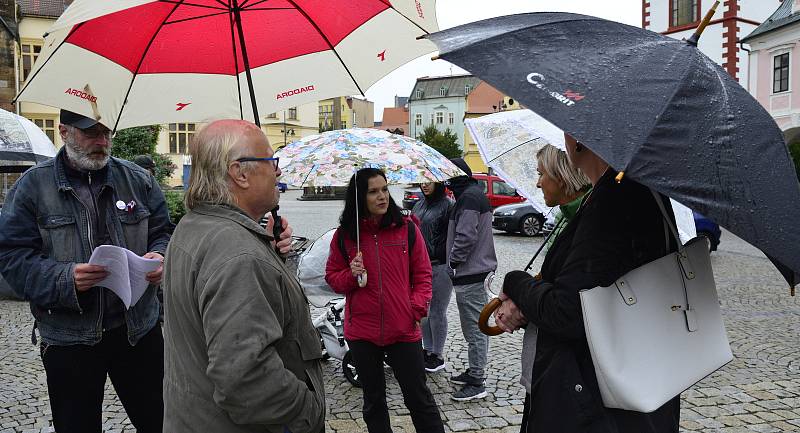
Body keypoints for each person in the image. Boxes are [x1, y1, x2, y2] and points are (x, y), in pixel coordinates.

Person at [0, 109, 173, 433]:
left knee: (161, 422)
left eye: (106, 132)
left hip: (138, 330)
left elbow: (163, 231)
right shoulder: (32, 187)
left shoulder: (137, 180)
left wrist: (160, 256)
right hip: (69, 339)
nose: (102, 141)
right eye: (90, 132)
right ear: (64, 132)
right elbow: (11, 256)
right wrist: (65, 278)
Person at [497, 135, 681, 433]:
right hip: (637, 385)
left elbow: (568, 311)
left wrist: (515, 282)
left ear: (580, 141)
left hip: (594, 403)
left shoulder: (614, 199)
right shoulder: (636, 190)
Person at [161, 120, 323, 433]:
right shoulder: (238, 253)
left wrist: (268, 251)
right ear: (240, 173)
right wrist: (307, 410)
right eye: (271, 161)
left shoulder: (195, 225)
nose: (277, 171)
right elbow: (245, 379)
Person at [326, 168, 444, 433]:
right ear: (359, 197)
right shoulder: (345, 236)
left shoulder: (406, 229)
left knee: (419, 399)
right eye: (373, 192)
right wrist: (350, 274)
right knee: (373, 401)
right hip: (362, 332)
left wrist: (415, 309)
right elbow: (333, 277)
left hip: (403, 329)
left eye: (384, 189)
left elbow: (423, 274)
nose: (382, 197)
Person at [493, 143, 591, 428]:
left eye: (541, 174)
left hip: (568, 374)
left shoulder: (584, 222)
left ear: (562, 175)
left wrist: (519, 288)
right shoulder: (564, 218)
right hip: (549, 364)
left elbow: (566, 305)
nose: (537, 182)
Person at [444, 157, 497, 401]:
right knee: (473, 326)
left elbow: (465, 236)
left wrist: (453, 263)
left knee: (475, 328)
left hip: (470, 273)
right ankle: (474, 372)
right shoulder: (472, 193)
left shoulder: (468, 198)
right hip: (475, 272)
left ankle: (477, 380)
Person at [411, 181, 454, 373]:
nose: (424, 186)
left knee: (437, 311)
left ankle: (438, 354)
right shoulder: (419, 204)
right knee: (424, 312)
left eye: (429, 182)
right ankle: (426, 350)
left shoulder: (448, 206)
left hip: (440, 264)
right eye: (422, 182)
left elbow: (453, 236)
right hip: (421, 265)